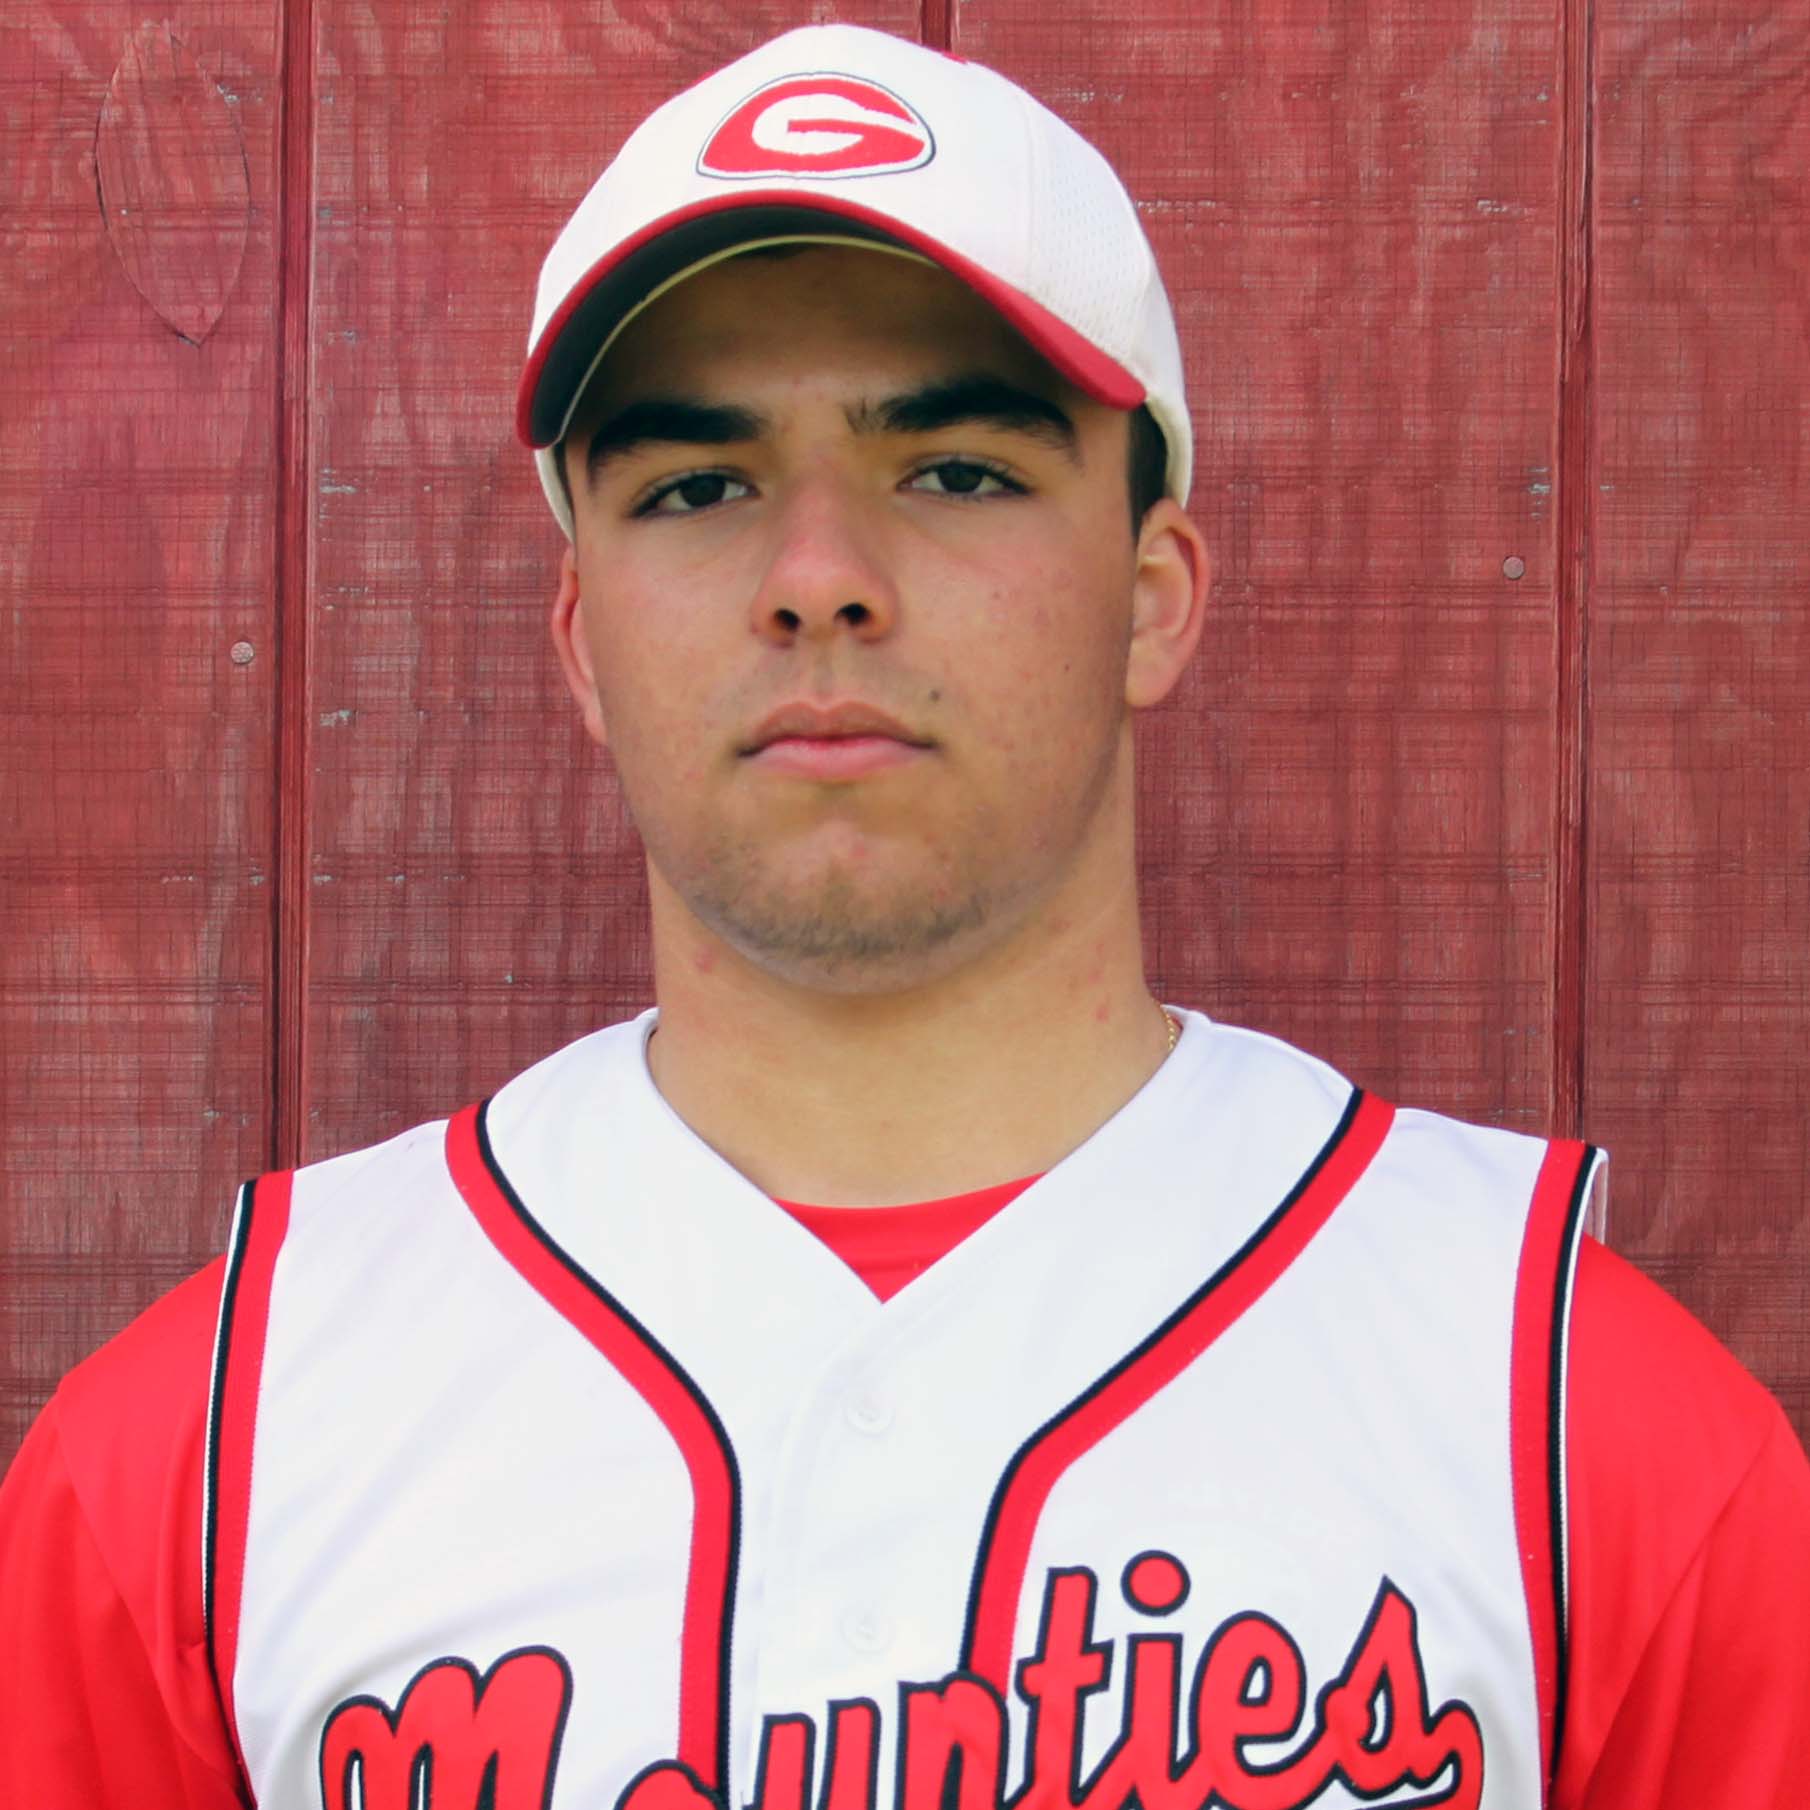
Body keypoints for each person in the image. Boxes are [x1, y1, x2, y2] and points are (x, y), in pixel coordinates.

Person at [2, 22, 1806, 1809]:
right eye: (696, 485)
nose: (818, 581)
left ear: (1152, 595)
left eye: (955, 470)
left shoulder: (1574, 1431)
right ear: (582, 642)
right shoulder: (209, 1457)